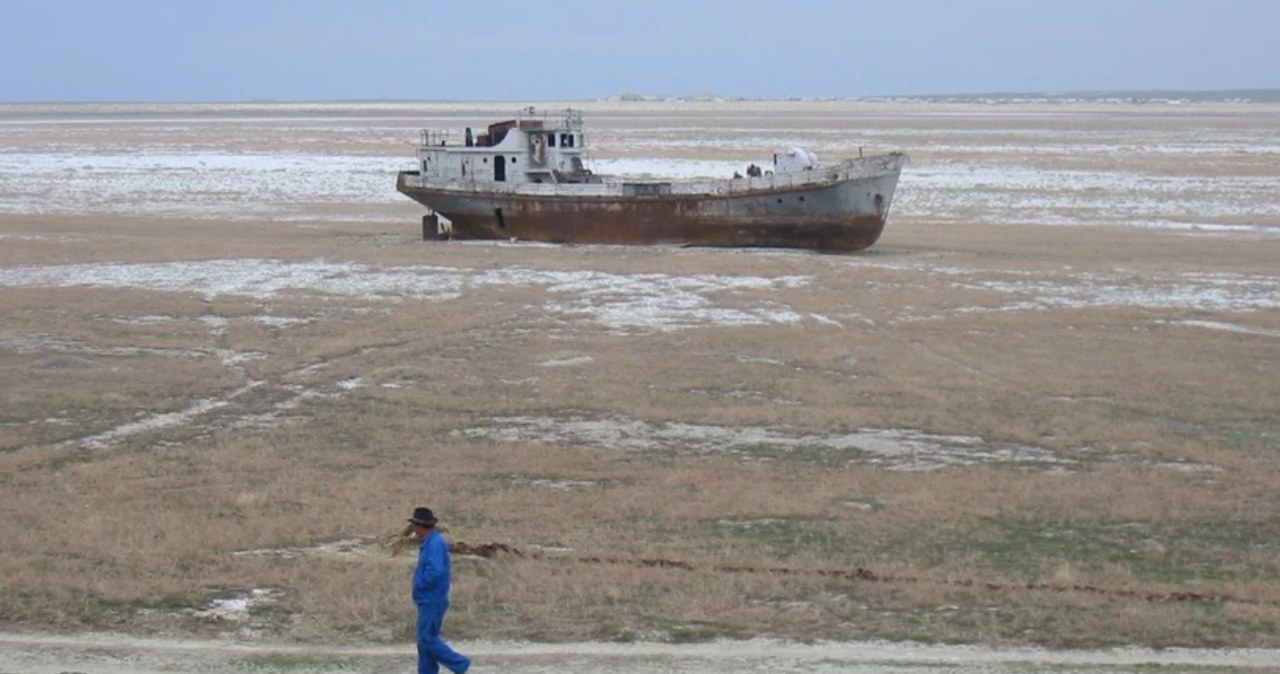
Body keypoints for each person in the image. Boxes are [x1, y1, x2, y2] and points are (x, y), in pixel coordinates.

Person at [408, 507, 470, 674]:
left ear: (421, 526)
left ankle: (459, 663)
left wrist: (420, 583)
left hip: (432, 599)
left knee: (426, 639)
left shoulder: (434, 543)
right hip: (429, 598)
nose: (413, 529)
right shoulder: (432, 541)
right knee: (425, 641)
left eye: (414, 525)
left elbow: (436, 571)